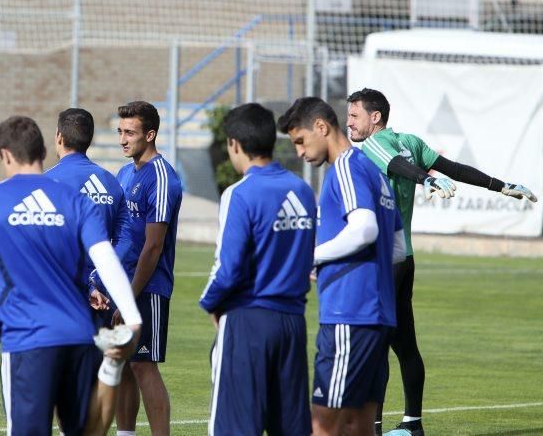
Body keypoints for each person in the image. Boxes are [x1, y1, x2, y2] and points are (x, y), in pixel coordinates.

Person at [346, 87, 537, 436]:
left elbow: (398, 166)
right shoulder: (411, 141)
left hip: (382, 260)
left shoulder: (374, 145)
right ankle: (412, 424)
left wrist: (426, 178)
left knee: (373, 346)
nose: (349, 123)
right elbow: (454, 168)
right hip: (405, 258)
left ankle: (370, 430)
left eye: (354, 116)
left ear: (375, 118)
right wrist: (501, 185)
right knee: (404, 345)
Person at [0, 115, 142, 435]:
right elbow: (105, 258)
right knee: (85, 431)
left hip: (27, 337)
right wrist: (133, 320)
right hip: (80, 335)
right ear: (43, 149)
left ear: (6, 155)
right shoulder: (77, 202)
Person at [277, 96, 406, 436]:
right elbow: (397, 248)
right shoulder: (373, 173)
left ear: (322, 127)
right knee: (359, 423)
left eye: (301, 141)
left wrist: (313, 256)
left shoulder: (346, 166)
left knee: (323, 423)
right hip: (377, 317)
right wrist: (337, 260)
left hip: (349, 314)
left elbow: (364, 228)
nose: (301, 153)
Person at [199, 103, 315, 435]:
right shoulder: (303, 190)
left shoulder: (240, 193)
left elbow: (229, 267)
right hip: (292, 322)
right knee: (289, 426)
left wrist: (210, 303)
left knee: (236, 427)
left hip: (248, 320)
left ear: (234, 144)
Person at [113, 101, 182, 436]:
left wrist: (129, 296)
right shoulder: (124, 174)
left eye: (130, 132)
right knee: (124, 364)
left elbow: (153, 246)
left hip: (148, 287)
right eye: (120, 131)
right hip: (121, 286)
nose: (123, 139)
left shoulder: (164, 178)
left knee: (143, 365)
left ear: (150, 134)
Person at [45, 107, 130, 314]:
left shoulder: (46, 183)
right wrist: (96, 280)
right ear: (89, 139)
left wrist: (87, 285)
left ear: (59, 136)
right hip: (103, 297)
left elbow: (48, 246)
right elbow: (126, 241)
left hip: (61, 294)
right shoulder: (111, 182)